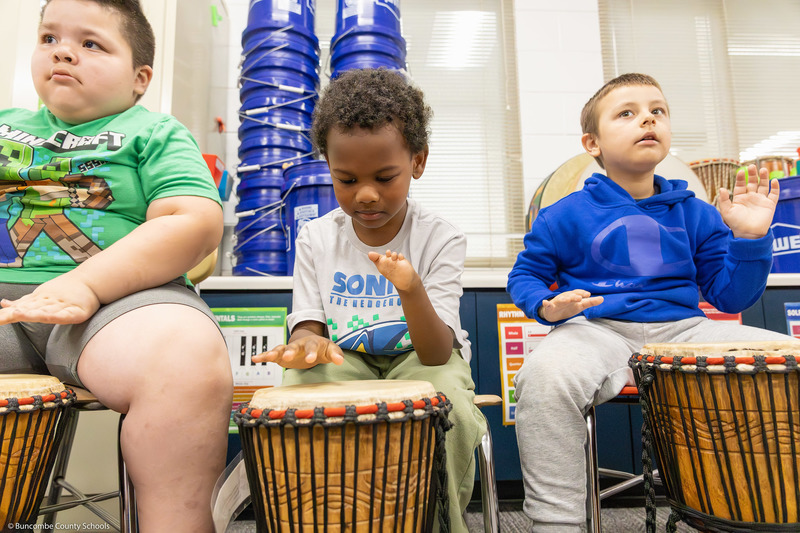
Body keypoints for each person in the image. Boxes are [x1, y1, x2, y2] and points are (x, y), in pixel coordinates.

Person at [507, 72, 792, 532]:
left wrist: (751, 238)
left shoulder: (697, 212)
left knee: (788, 360)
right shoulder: (562, 214)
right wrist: (546, 305)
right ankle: (556, 523)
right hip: (594, 330)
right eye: (627, 113)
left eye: (657, 111)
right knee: (543, 375)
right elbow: (525, 275)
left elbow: (731, 294)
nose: (647, 119)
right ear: (592, 143)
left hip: (684, 330)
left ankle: (766, 510)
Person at [0, 1, 233, 531]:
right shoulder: (4, 127)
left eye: (91, 44)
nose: (63, 50)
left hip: (117, 304)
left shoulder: (154, 132)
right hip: (6, 303)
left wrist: (86, 282)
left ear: (139, 78)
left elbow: (192, 222)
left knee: (185, 359)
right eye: (49, 38)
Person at [253, 68, 486, 532]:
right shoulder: (317, 238)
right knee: (294, 396)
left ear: (417, 161)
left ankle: (440, 522)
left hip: (420, 358)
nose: (365, 194)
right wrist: (305, 344)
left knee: (451, 409)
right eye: (346, 179)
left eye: (384, 177)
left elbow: (437, 352)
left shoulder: (440, 237)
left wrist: (410, 288)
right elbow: (309, 325)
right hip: (349, 358)